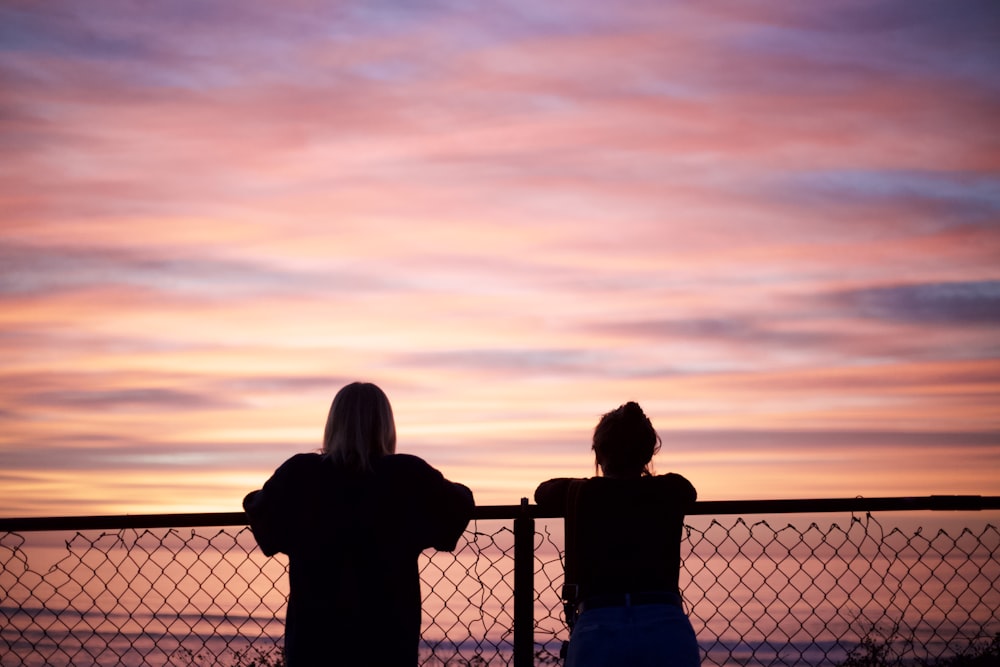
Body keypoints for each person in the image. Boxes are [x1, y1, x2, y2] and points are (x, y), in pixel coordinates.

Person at [243, 382, 475, 666]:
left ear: (334, 423)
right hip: (387, 637)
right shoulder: (407, 475)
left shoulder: (301, 474)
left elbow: (263, 520)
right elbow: (457, 507)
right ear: (386, 424)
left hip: (315, 637)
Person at [534, 401, 700, 667]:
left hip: (598, 624)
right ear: (648, 454)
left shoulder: (579, 493)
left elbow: (542, 492)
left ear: (599, 453)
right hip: (664, 622)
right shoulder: (670, 489)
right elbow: (689, 492)